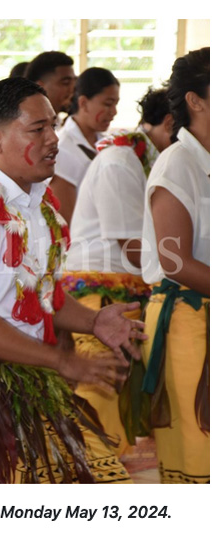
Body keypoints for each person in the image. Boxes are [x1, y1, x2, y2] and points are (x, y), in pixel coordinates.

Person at [0, 77, 146, 484]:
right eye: (37, 129)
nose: (53, 139)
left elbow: (39, 296)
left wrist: (93, 321)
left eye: (53, 125)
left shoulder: (38, 205)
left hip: (29, 374)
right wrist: (61, 360)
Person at [62, 87, 173, 456]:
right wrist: (183, 278)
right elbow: (132, 245)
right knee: (102, 379)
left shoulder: (149, 158)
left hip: (127, 286)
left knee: (116, 382)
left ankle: (108, 463)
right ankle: (94, 469)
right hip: (99, 291)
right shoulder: (120, 160)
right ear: (172, 121)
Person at [140, 47, 210, 484]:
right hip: (188, 320)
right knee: (197, 444)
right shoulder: (178, 163)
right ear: (195, 100)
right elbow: (174, 261)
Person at [49, 67, 120, 225]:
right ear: (83, 103)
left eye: (116, 104)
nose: (114, 112)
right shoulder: (62, 148)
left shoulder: (104, 141)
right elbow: (68, 219)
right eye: (108, 104)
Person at [25, 50, 76, 118]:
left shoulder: (60, 123)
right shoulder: (27, 126)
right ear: (40, 87)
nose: (73, 88)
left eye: (75, 82)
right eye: (66, 83)